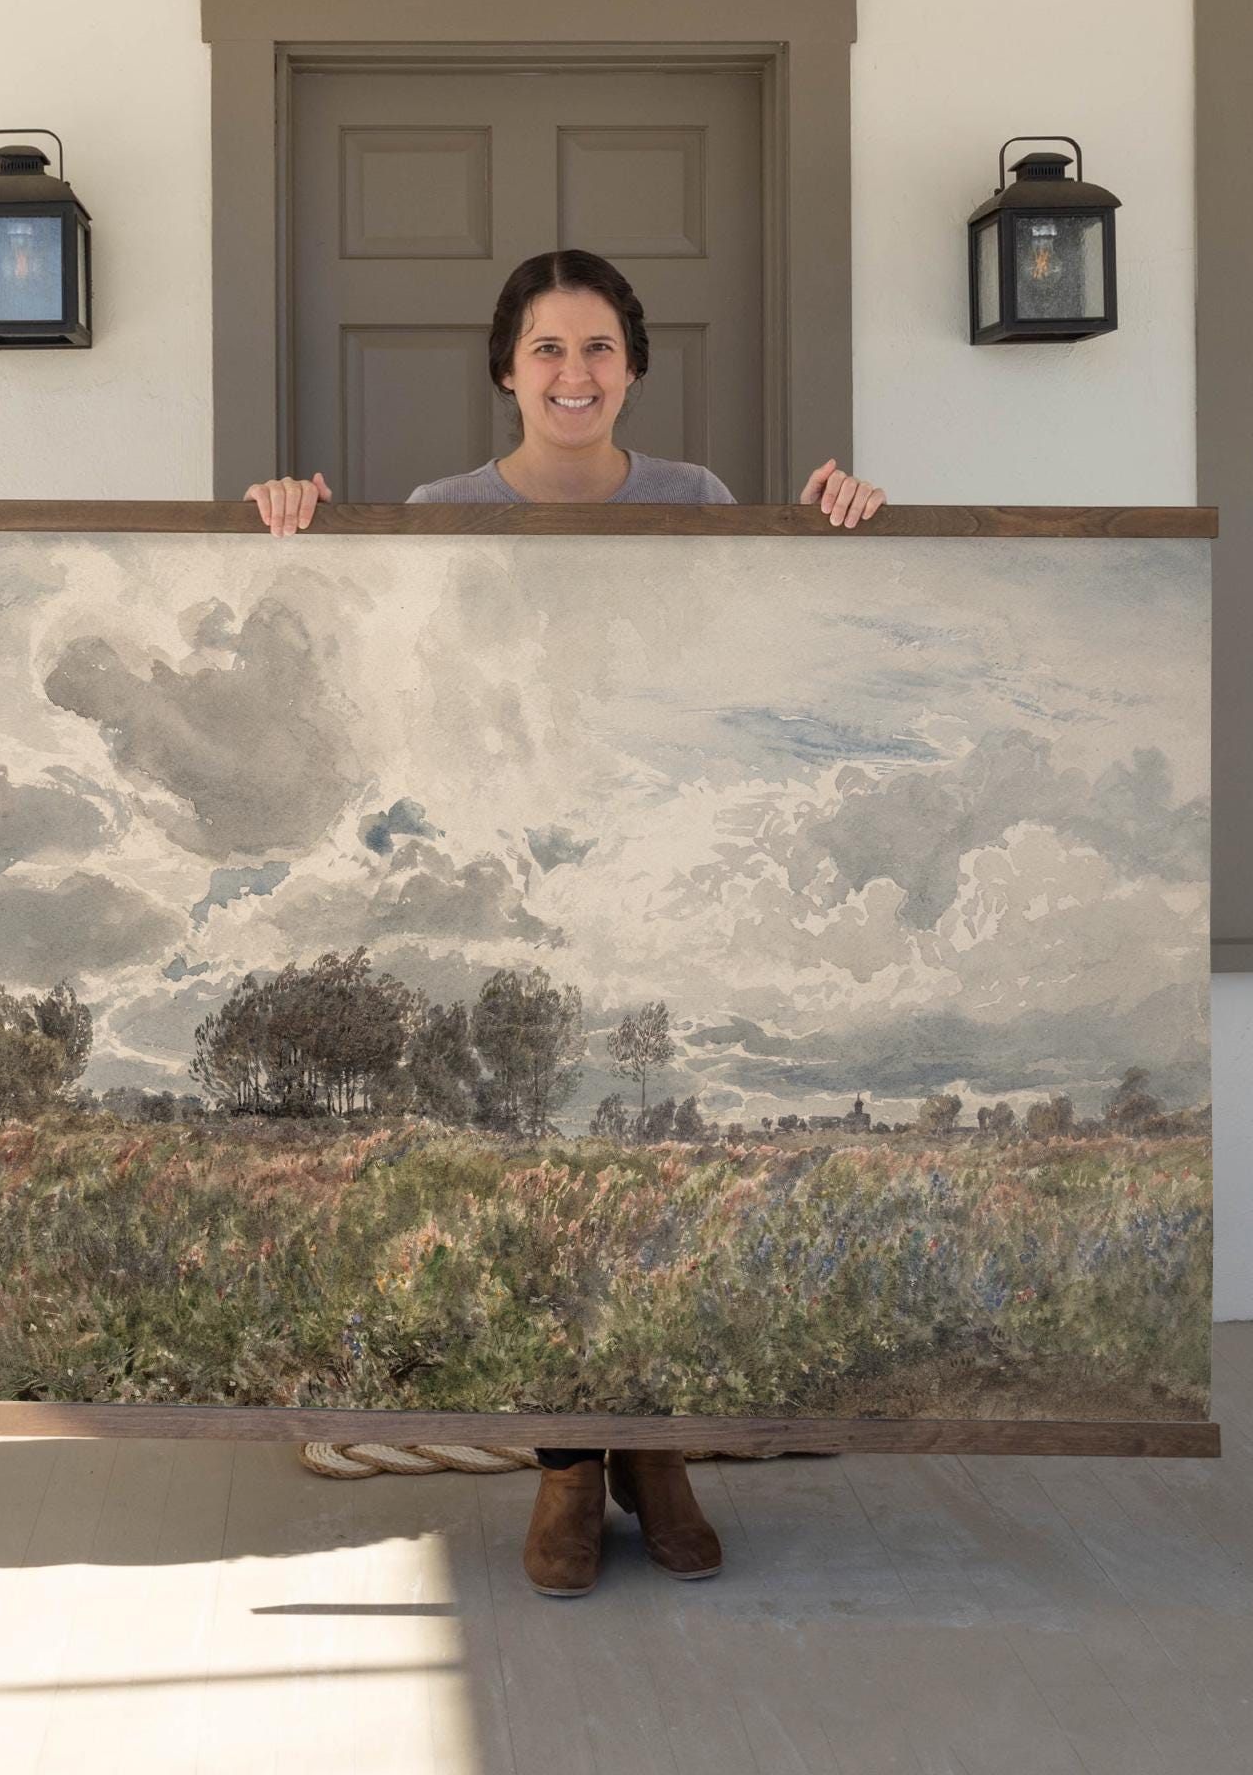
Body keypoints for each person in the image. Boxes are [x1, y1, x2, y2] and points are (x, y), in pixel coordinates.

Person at [247, 247, 887, 1596]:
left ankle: (655, 1453)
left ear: (635, 368)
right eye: (547, 348)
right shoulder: (437, 509)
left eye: (598, 347)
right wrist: (302, 522)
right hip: (514, 871)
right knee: (531, 1164)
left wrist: (836, 525)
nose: (574, 374)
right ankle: (563, 1467)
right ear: (505, 369)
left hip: (658, 864)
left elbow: (759, 659)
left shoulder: (701, 502)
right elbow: (391, 671)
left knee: (651, 1156)